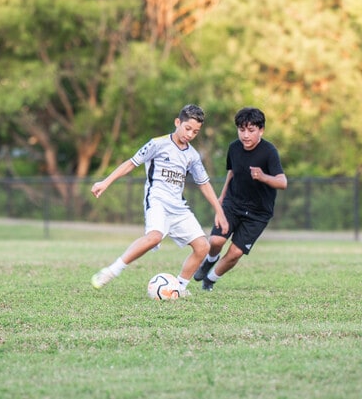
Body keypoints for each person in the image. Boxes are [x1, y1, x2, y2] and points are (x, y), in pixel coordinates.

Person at [90, 104, 228, 296]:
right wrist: (105, 182)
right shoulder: (157, 144)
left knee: (203, 246)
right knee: (154, 236)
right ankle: (112, 271)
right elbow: (131, 163)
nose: (190, 134)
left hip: (178, 207)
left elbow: (204, 183)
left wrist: (219, 211)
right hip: (157, 201)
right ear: (177, 122)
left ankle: (179, 288)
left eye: (195, 132)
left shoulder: (192, 156)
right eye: (187, 128)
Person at [193, 106, 287, 291]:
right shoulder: (234, 148)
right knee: (216, 241)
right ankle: (209, 260)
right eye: (241, 130)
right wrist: (222, 195)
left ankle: (210, 279)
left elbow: (282, 182)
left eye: (251, 130)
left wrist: (263, 177)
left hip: (258, 212)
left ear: (261, 130)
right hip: (233, 203)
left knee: (235, 253)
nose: (245, 135)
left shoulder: (269, 151)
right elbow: (232, 172)